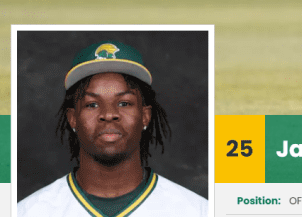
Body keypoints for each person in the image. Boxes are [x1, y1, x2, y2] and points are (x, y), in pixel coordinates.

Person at [18, 41, 207, 216]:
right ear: (73, 118)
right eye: (92, 104)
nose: (109, 114)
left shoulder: (197, 211)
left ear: (145, 116)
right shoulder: (28, 212)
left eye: (124, 103)